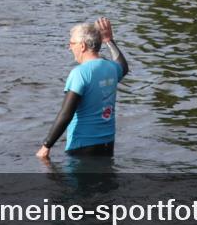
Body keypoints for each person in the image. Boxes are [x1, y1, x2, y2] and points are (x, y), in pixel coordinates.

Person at [36, 17, 128, 160]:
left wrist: (46, 146)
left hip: (82, 146)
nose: (69, 47)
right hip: (107, 143)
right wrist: (109, 40)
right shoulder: (111, 68)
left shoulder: (80, 73)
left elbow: (66, 114)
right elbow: (123, 65)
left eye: (72, 43)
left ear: (83, 46)